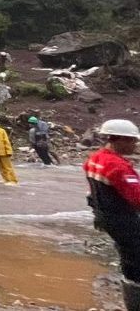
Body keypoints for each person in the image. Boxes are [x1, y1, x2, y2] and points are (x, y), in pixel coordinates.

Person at [85, 119, 140, 310]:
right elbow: (137, 198)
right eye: (132, 141)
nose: (135, 145)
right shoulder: (118, 166)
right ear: (120, 140)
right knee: (136, 259)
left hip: (104, 216)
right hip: (123, 219)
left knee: (129, 258)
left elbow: (92, 191)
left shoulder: (95, 158)